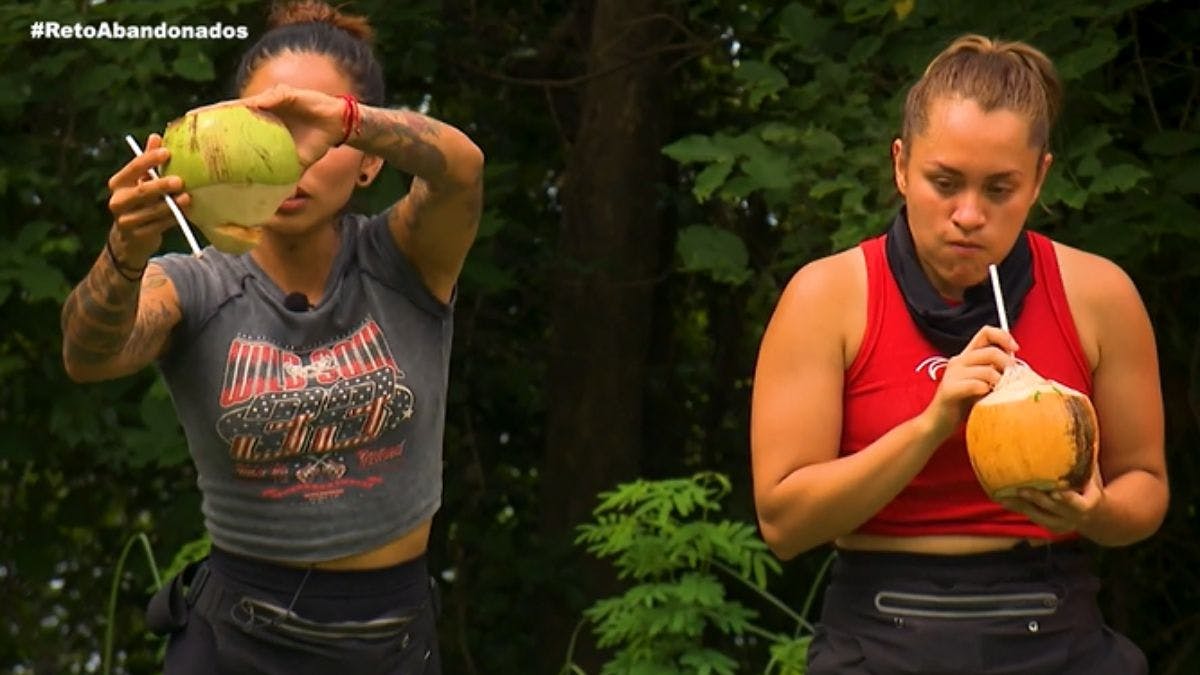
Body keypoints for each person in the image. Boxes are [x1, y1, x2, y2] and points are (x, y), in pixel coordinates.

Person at [59, 1, 483, 672]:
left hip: (392, 639)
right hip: (234, 638)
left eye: (312, 132)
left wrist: (347, 120)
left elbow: (461, 168)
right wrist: (124, 251)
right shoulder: (193, 281)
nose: (289, 157)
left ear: (369, 160)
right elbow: (90, 354)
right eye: (269, 131)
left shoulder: (404, 260)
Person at [750, 34, 1167, 674]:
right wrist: (932, 425)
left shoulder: (1099, 294)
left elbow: (1146, 486)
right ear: (899, 165)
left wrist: (1097, 510)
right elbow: (784, 524)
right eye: (943, 182)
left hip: (1056, 625)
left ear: (1039, 180)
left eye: (1000, 189)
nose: (968, 215)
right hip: (881, 631)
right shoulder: (827, 297)